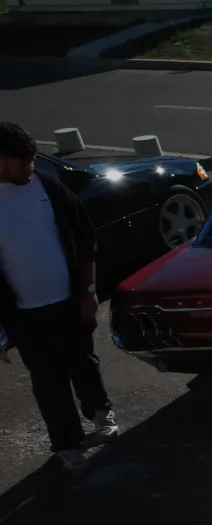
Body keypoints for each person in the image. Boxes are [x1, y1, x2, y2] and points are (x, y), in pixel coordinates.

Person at [0, 122, 119, 476]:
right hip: (24, 314)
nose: (30, 167)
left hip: (69, 299)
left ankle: (100, 412)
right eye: (22, 161)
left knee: (83, 360)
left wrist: (89, 292)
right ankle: (67, 444)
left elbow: (85, 237)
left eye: (33, 159)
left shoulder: (47, 186)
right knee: (48, 380)